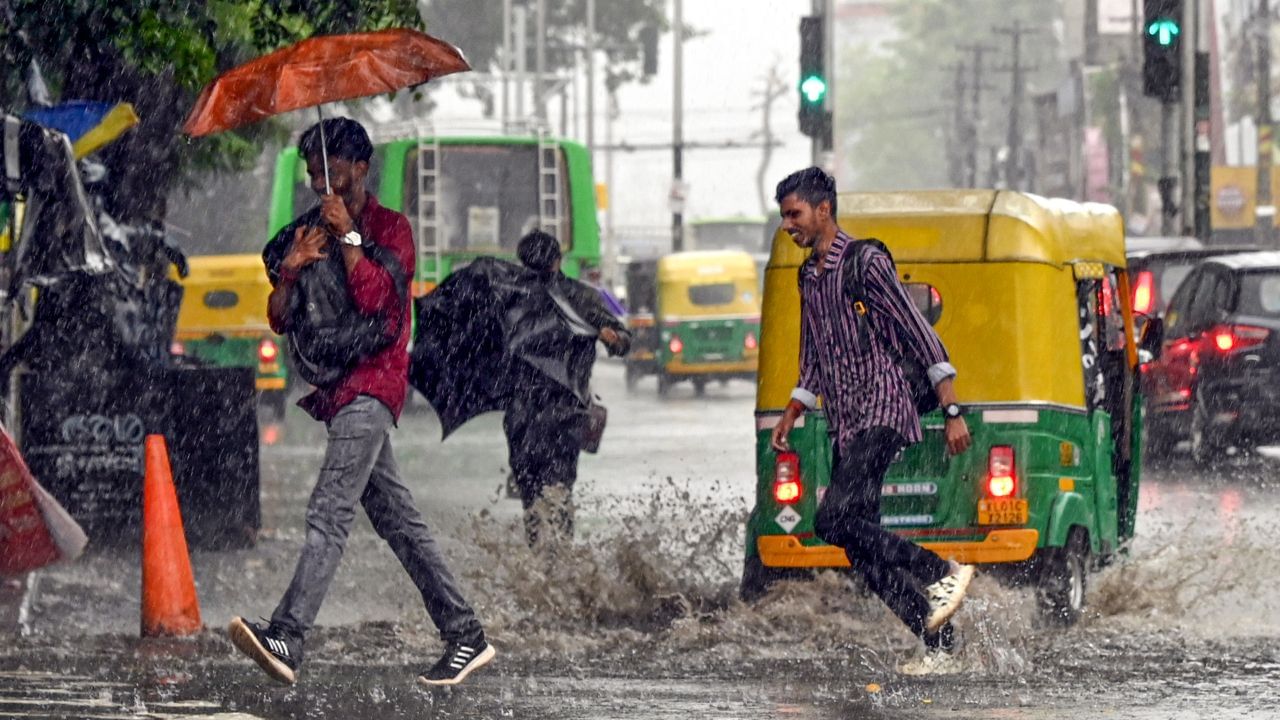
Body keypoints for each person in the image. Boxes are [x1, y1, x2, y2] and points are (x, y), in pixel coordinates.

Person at [228, 118, 494, 688]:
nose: (322, 181)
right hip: (335, 391)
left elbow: (378, 302)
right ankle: (465, 633)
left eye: (332, 169)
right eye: (313, 172)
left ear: (361, 168)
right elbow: (279, 318)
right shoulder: (303, 232)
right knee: (399, 523)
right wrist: (294, 268)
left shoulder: (392, 229)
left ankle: (288, 635)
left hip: (374, 386)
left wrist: (349, 235)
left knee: (329, 511)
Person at [768, 167, 975, 676]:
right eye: (783, 217)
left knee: (830, 520)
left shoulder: (866, 262)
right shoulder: (807, 275)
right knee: (862, 553)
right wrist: (793, 410)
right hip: (845, 421)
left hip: (884, 408)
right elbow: (812, 354)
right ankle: (941, 644)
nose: (788, 225)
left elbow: (918, 332)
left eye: (794, 214)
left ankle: (941, 570)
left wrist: (951, 409)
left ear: (824, 210)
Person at [504, 230, 630, 547]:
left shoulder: (509, 300)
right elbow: (623, 341)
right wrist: (613, 338)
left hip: (527, 415)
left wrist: (612, 337)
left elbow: (620, 340)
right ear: (559, 260)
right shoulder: (579, 297)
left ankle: (541, 562)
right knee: (558, 492)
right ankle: (561, 566)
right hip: (561, 412)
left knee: (533, 498)